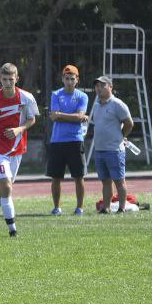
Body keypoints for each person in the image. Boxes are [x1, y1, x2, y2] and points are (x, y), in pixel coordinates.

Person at [0, 62, 39, 237]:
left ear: (17, 79)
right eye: (4, 79)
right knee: (6, 186)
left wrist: (19, 129)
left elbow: (32, 119)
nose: (8, 83)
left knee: (5, 189)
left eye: (11, 79)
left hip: (17, 149)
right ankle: (13, 230)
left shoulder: (26, 97)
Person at [47, 65, 90, 215]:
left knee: (79, 176)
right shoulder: (56, 94)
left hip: (75, 140)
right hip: (57, 141)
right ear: (62, 79)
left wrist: (61, 115)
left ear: (77, 80)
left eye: (73, 78)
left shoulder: (83, 96)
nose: (69, 81)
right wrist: (76, 117)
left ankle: (79, 207)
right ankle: (57, 207)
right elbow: (53, 117)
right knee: (56, 177)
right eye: (67, 78)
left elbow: (77, 117)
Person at [89, 75, 134, 214]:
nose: (99, 88)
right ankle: (106, 208)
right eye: (97, 85)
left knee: (119, 181)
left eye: (103, 85)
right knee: (105, 181)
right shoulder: (96, 106)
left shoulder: (117, 104)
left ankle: (122, 208)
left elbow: (129, 123)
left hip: (114, 150)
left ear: (110, 87)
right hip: (100, 150)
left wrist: (122, 136)